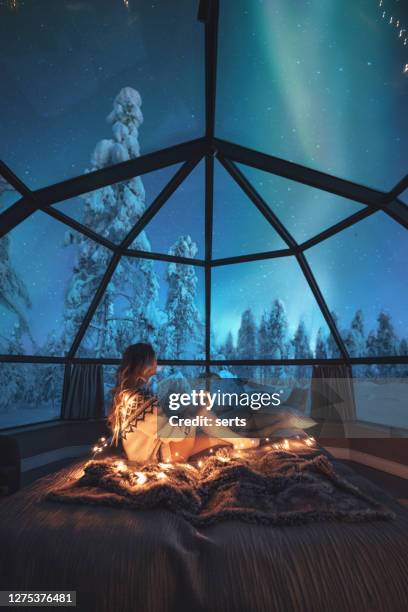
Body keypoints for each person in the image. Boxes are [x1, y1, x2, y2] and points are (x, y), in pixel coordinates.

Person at [108, 343, 258, 463]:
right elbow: (173, 434)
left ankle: (238, 442)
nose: (157, 364)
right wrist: (198, 410)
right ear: (145, 364)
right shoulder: (139, 400)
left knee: (218, 440)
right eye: (154, 360)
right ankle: (240, 440)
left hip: (151, 453)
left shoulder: (128, 396)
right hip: (159, 458)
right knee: (201, 412)